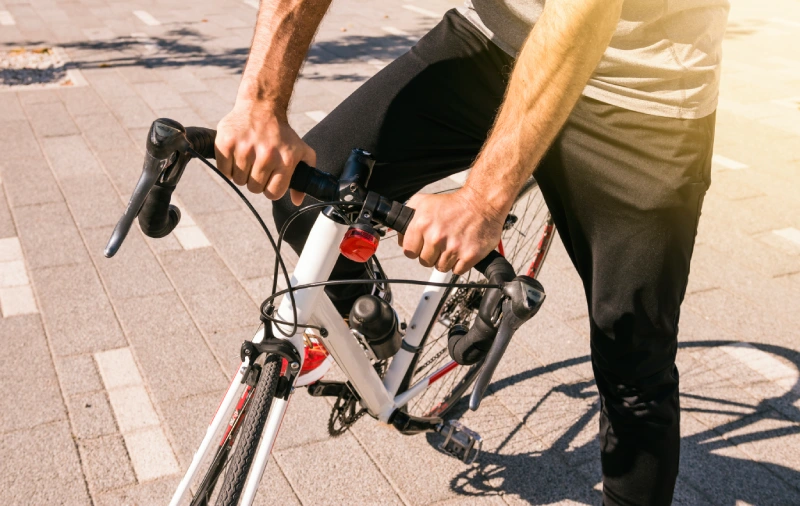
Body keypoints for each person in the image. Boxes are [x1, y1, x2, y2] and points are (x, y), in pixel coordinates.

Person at [214, 0, 729, 503]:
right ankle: (370, 318)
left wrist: (483, 200)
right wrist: (262, 99)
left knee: (633, 366)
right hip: (500, 38)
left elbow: (585, 11)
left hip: (640, 92)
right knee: (308, 198)